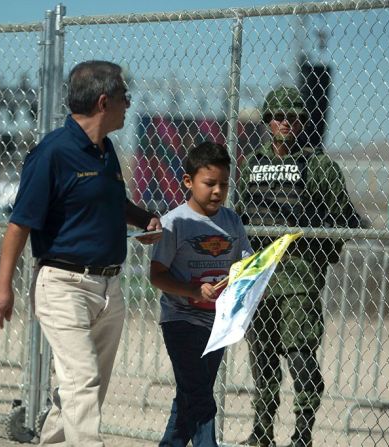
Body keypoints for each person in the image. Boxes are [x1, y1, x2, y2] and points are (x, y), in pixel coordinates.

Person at [0, 60, 161, 447]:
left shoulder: (106, 150)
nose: (128, 103)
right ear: (104, 102)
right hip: (64, 284)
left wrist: (145, 219)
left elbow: (115, 202)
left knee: (82, 392)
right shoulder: (52, 153)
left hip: (107, 286)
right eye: (123, 96)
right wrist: (3, 287)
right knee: (82, 381)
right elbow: (20, 224)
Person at [236, 86, 362, 447]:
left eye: (293, 117)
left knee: (300, 357)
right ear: (267, 121)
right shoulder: (253, 165)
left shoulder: (319, 167)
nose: (285, 123)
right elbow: (243, 216)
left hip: (298, 278)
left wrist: (316, 259)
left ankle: (302, 436)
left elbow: (343, 220)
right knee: (262, 362)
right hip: (260, 278)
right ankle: (262, 433)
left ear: (303, 121)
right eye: (278, 117)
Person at [150, 142, 252, 446]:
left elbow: (244, 265)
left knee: (188, 400)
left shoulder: (232, 221)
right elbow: (157, 275)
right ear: (188, 181)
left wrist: (245, 275)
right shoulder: (175, 222)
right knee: (201, 399)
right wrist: (194, 290)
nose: (218, 191)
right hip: (181, 322)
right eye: (209, 184)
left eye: (224, 184)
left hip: (216, 326)